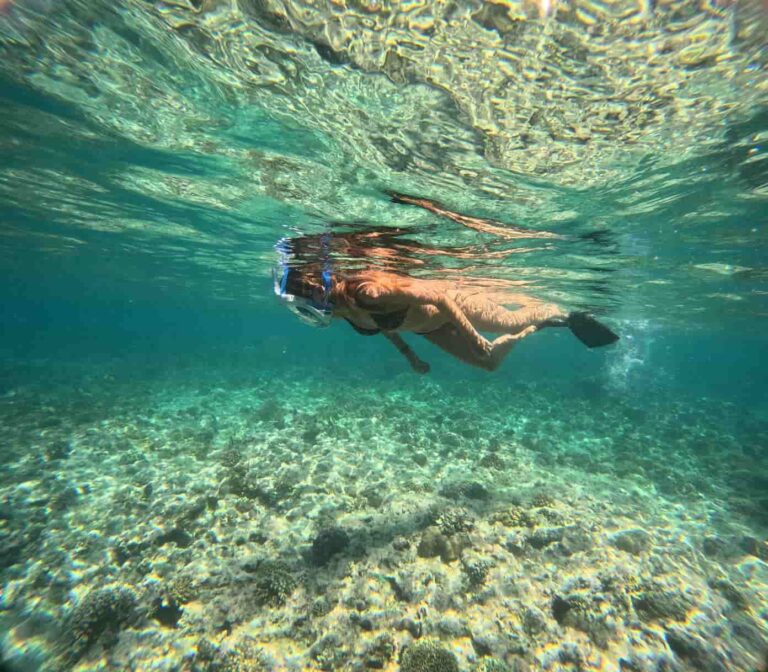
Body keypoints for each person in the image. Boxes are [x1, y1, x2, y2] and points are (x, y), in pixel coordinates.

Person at [273, 192, 619, 373]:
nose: (307, 315)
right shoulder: (344, 309)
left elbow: (438, 296)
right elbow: (379, 325)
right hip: (427, 328)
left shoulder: (368, 289)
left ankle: (561, 315)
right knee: (489, 365)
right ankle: (550, 322)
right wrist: (410, 356)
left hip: (451, 305)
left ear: (319, 290)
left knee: (512, 322)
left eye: (304, 306)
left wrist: (477, 339)